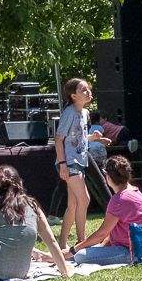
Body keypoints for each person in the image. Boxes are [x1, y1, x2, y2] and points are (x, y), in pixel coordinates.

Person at [54, 78, 106, 252]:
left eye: (88, 89)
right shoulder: (69, 113)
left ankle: (62, 243)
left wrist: (94, 138)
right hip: (70, 163)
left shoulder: (84, 113)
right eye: (83, 90)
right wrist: (62, 164)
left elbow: (78, 138)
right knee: (85, 199)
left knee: (74, 204)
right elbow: (59, 139)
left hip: (79, 162)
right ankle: (82, 241)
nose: (88, 92)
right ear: (73, 95)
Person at [70, 156, 142, 265]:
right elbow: (113, 232)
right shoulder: (134, 191)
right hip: (140, 249)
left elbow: (102, 233)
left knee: (80, 256)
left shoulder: (119, 199)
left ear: (108, 176)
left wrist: (73, 250)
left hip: (130, 252)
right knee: (85, 250)